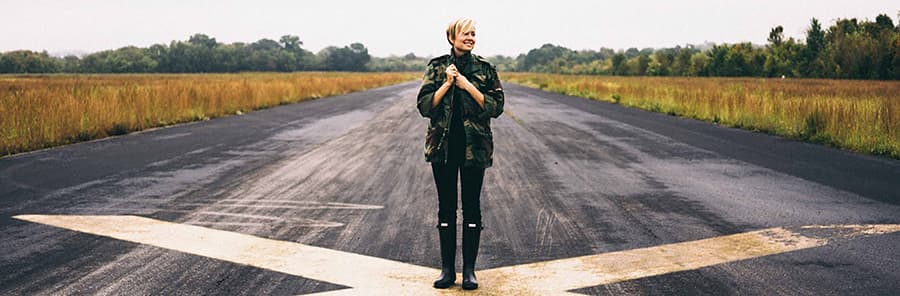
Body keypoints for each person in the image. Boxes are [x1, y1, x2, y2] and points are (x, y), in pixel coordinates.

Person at [416, 18, 504, 290]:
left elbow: (496, 107)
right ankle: (447, 271)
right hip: (442, 148)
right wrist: (446, 84)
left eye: (473, 34)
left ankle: (469, 272)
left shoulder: (485, 69)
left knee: (472, 208)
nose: (470, 38)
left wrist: (467, 86)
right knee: (446, 208)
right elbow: (424, 107)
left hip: (474, 147)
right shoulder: (437, 67)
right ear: (452, 38)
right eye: (465, 33)